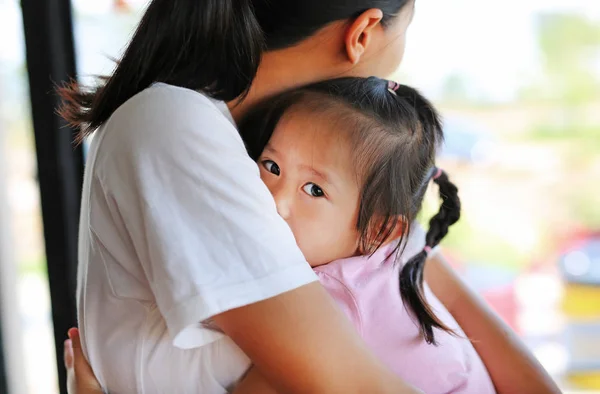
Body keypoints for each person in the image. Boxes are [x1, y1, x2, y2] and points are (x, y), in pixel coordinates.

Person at [60, 1, 560, 393]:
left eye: (313, 189)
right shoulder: (178, 125)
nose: (278, 195)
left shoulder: (339, 199)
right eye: (404, 31)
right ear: (363, 33)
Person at [232, 76, 494, 393]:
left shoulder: (334, 297)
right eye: (271, 166)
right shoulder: (383, 262)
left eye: (314, 190)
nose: (276, 200)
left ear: (378, 231)